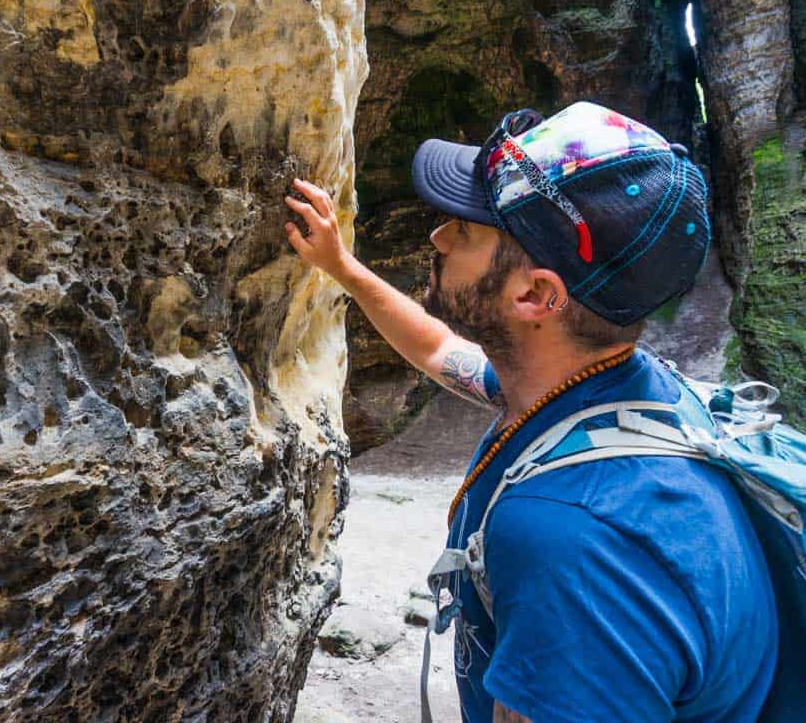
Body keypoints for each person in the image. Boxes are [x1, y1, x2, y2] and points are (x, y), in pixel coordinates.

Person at [284, 102, 778, 722]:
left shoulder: (571, 545)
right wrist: (341, 268)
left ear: (537, 295)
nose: (437, 237)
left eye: (463, 230)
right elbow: (440, 350)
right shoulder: (617, 394)